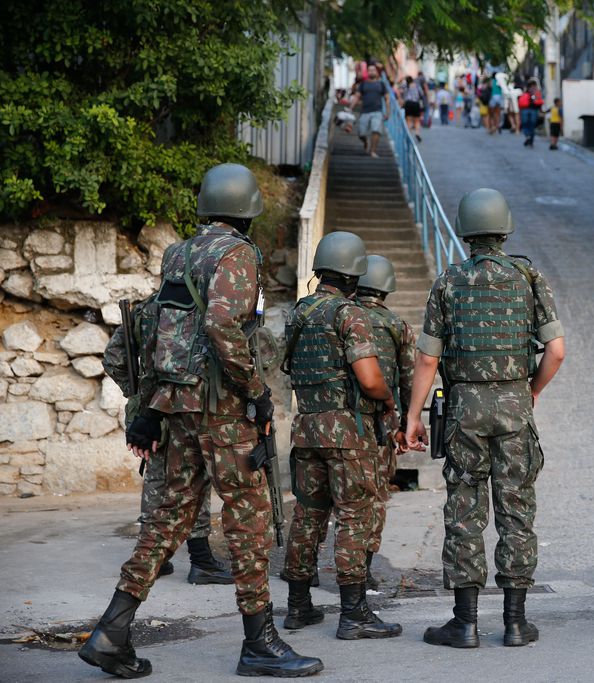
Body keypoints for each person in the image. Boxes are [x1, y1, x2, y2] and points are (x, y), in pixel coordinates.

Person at [79, 163, 323, 678]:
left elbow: (155, 328)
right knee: (249, 519)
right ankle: (259, 642)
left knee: (168, 518)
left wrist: (147, 406)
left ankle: (112, 630)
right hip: (222, 413)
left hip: (177, 407)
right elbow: (221, 326)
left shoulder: (179, 253)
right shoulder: (238, 254)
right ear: (247, 211)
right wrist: (256, 393)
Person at [405, 188, 566, 649]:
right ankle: (515, 624)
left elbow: (427, 360)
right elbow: (556, 351)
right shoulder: (529, 277)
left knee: (464, 512)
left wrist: (413, 416)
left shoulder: (449, 282)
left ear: (465, 231)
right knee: (517, 511)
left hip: (464, 411)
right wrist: (530, 391)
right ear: (504, 229)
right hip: (515, 407)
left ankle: (466, 623)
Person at [279, 232, 403, 641]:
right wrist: (386, 399)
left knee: (308, 514)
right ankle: (354, 615)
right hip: (348, 433)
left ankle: (298, 607)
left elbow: (284, 367)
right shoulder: (349, 314)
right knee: (353, 516)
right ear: (354, 274)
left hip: (307, 429)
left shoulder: (300, 312)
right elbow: (369, 379)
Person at [102, 298, 234, 587]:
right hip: (184, 405)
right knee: (193, 477)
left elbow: (113, 357)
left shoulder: (142, 310)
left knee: (156, 477)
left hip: (147, 408)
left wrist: (135, 393)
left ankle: (153, 558)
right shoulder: (197, 306)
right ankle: (200, 561)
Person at [355, 256, 417, 590]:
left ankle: (300, 586)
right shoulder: (396, 326)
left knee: (323, 504)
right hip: (379, 425)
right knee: (373, 499)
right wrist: (408, 424)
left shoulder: (341, 317)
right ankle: (361, 571)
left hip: (337, 422)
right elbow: (408, 380)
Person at [350, 63, 390, 158]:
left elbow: (387, 99)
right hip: (365, 111)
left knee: (376, 131)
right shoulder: (363, 84)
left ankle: (373, 151)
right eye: (370, 70)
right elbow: (357, 97)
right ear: (367, 72)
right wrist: (350, 108)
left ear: (376, 72)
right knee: (361, 133)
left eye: (373, 70)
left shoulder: (381, 84)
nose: (371, 72)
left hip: (377, 111)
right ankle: (365, 142)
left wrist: (388, 112)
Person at [520, 81, 544, 148]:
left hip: (525, 110)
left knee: (526, 125)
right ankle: (530, 139)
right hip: (533, 110)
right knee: (532, 126)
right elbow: (540, 103)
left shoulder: (526, 92)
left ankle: (528, 136)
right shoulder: (536, 92)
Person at [401, 75, 425, 142]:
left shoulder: (405, 86)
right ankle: (417, 133)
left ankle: (408, 135)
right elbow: (421, 94)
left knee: (408, 120)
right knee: (417, 120)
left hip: (408, 103)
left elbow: (400, 91)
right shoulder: (417, 85)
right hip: (416, 103)